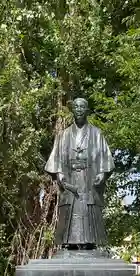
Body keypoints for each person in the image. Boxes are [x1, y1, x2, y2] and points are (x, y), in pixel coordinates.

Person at [45, 98, 115, 249]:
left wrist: (102, 173)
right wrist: (59, 174)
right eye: (76, 107)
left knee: (88, 208)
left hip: (88, 179)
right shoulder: (63, 135)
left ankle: (90, 244)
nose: (79, 109)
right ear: (73, 110)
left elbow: (105, 158)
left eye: (82, 107)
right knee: (70, 208)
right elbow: (55, 160)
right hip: (70, 179)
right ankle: (69, 244)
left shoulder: (96, 133)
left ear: (87, 110)